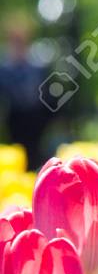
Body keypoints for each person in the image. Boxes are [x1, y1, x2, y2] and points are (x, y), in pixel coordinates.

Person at [0, 14, 51, 167]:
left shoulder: (38, 65)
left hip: (35, 119)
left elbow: (45, 94)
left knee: (34, 156)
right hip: (14, 119)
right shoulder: (4, 67)